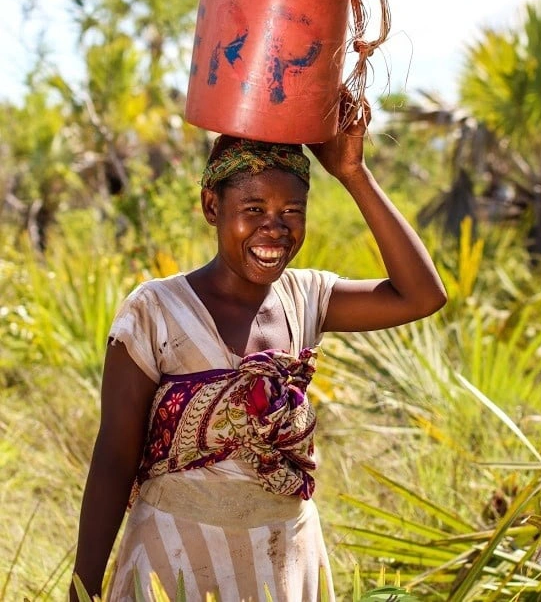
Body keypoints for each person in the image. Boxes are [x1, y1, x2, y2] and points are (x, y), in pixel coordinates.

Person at [71, 102, 447, 602]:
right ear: (212, 207)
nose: (275, 229)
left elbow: (423, 296)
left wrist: (354, 174)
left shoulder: (306, 297)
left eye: (292, 211)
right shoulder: (155, 311)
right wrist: (83, 587)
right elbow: (114, 457)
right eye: (253, 210)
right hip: (175, 554)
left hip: (283, 559)